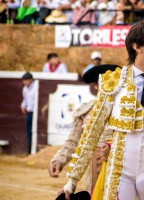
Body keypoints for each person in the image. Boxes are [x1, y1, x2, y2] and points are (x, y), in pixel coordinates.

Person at [59, 17, 144, 200]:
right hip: (121, 173)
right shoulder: (114, 82)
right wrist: (73, 177)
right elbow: (93, 131)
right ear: (138, 46)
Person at [49, 64, 120, 194]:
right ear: (96, 86)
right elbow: (74, 140)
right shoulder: (87, 111)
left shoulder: (127, 110)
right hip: (94, 171)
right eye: (104, 83)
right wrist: (60, 159)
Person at [21, 72, 37, 154]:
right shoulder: (25, 89)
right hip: (29, 112)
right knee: (29, 131)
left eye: (26, 80)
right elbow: (25, 100)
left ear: (31, 80)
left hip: (35, 113)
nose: (25, 82)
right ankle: (29, 150)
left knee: (33, 131)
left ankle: (32, 150)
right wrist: (23, 106)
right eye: (24, 80)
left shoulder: (36, 87)